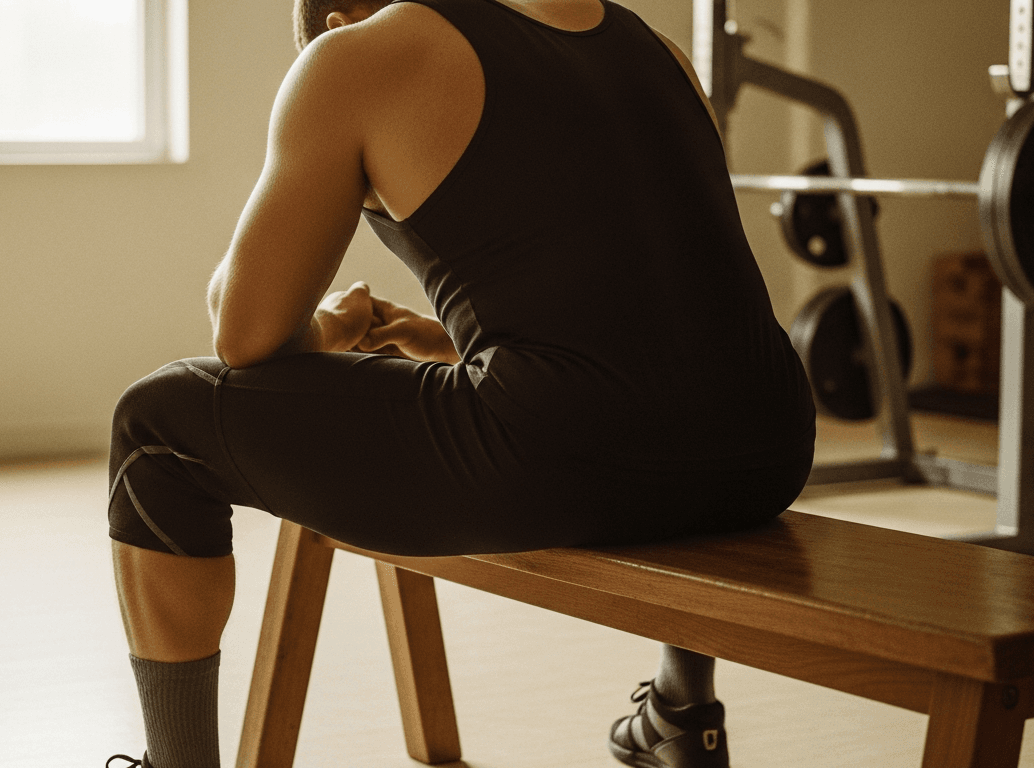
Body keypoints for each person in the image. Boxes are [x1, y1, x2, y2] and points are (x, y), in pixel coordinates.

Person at [104, 0, 816, 766]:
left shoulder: (354, 55)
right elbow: (651, 307)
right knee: (658, 426)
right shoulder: (656, 49)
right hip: (772, 448)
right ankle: (680, 710)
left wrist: (336, 328)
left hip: (564, 461)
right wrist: (455, 342)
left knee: (157, 426)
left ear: (338, 21)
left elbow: (244, 334)